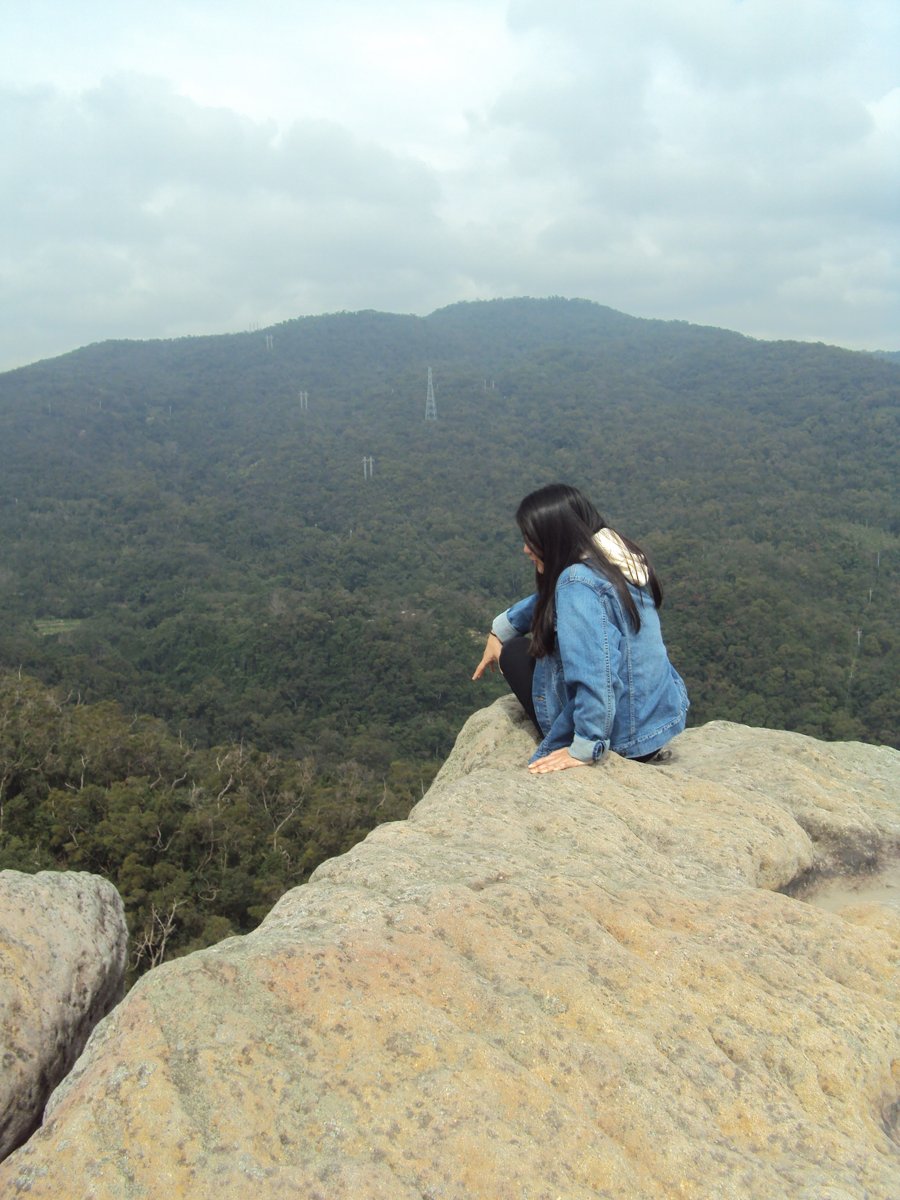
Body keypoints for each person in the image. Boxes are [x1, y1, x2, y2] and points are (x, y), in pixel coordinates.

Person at [472, 483, 689, 774]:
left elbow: (595, 674)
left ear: (555, 538)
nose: (525, 549)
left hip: (626, 742)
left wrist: (585, 746)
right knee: (520, 644)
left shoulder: (576, 583)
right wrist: (504, 626)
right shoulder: (615, 558)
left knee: (513, 655)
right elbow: (549, 598)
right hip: (657, 726)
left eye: (531, 540)